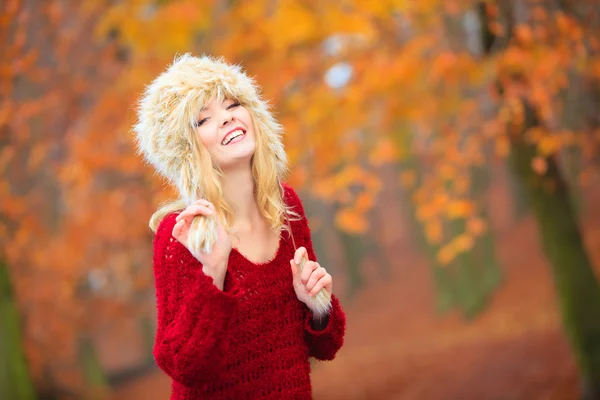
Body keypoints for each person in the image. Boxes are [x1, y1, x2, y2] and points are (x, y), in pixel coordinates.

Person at [133, 54, 346, 400]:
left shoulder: (286, 207)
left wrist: (317, 307)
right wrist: (213, 270)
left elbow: (323, 346)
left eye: (232, 103)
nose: (227, 116)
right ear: (185, 151)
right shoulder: (182, 232)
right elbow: (185, 366)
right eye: (203, 119)